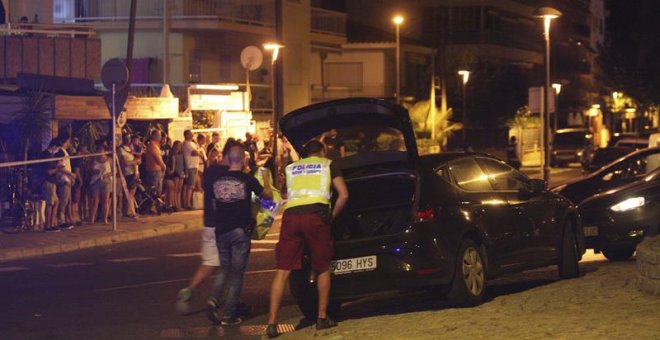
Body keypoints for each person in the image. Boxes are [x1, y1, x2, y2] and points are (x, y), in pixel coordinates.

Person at [266, 140, 349, 337]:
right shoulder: (328, 164)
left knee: (282, 270)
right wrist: (331, 217)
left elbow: (290, 193)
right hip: (316, 216)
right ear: (323, 151)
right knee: (322, 267)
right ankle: (322, 318)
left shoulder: (291, 168)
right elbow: (344, 195)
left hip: (291, 217)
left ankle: (271, 323)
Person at [206, 141, 273, 326]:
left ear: (228, 159)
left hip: (221, 231)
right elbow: (267, 196)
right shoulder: (247, 179)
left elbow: (214, 204)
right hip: (240, 232)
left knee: (224, 269)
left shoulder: (217, 181)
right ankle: (229, 315)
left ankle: (213, 299)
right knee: (237, 274)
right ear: (243, 160)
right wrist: (266, 182)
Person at [54, 133, 76, 230]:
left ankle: (65, 219)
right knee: (63, 201)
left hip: (67, 179)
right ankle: (61, 220)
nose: (69, 143)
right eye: (68, 141)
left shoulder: (64, 151)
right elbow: (61, 167)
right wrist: (71, 175)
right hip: (64, 179)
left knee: (66, 200)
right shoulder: (60, 152)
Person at [119, 133, 141, 217]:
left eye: (129, 138)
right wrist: (135, 162)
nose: (128, 140)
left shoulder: (130, 148)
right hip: (128, 173)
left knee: (132, 192)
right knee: (129, 193)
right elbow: (125, 163)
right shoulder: (121, 149)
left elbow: (137, 158)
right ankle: (128, 211)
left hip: (134, 172)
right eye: (126, 138)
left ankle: (130, 210)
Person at [41, 140, 61, 232]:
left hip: (52, 182)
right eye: (57, 148)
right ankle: (48, 225)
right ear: (54, 146)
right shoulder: (47, 155)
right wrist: (57, 168)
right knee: (50, 204)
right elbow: (48, 172)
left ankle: (52, 223)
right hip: (49, 182)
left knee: (55, 202)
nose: (57, 150)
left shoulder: (51, 156)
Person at [89, 144, 112, 224]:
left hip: (106, 181)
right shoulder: (94, 160)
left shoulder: (109, 160)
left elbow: (114, 171)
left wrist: (107, 174)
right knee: (95, 201)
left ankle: (105, 219)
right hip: (96, 181)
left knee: (105, 200)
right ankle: (92, 219)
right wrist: (94, 172)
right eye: (98, 149)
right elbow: (90, 170)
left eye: (101, 149)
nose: (99, 151)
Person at [144, 130, 166, 197]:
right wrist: (163, 166)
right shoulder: (152, 145)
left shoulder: (156, 145)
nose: (160, 137)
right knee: (155, 190)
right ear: (153, 136)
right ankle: (154, 206)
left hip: (156, 170)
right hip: (154, 171)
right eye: (158, 135)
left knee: (157, 189)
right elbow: (157, 158)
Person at [182, 130, 200, 209]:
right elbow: (195, 152)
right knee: (190, 186)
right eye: (190, 134)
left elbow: (197, 151)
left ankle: (187, 202)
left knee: (189, 185)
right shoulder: (186, 143)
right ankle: (188, 203)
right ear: (186, 135)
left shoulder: (193, 143)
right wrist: (199, 152)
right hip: (190, 166)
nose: (192, 135)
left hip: (195, 165)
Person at [163, 141, 181, 209]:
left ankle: (170, 204)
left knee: (170, 189)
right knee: (171, 188)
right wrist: (172, 169)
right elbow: (173, 162)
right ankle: (169, 205)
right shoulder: (172, 153)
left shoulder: (175, 153)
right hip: (169, 173)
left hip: (171, 173)